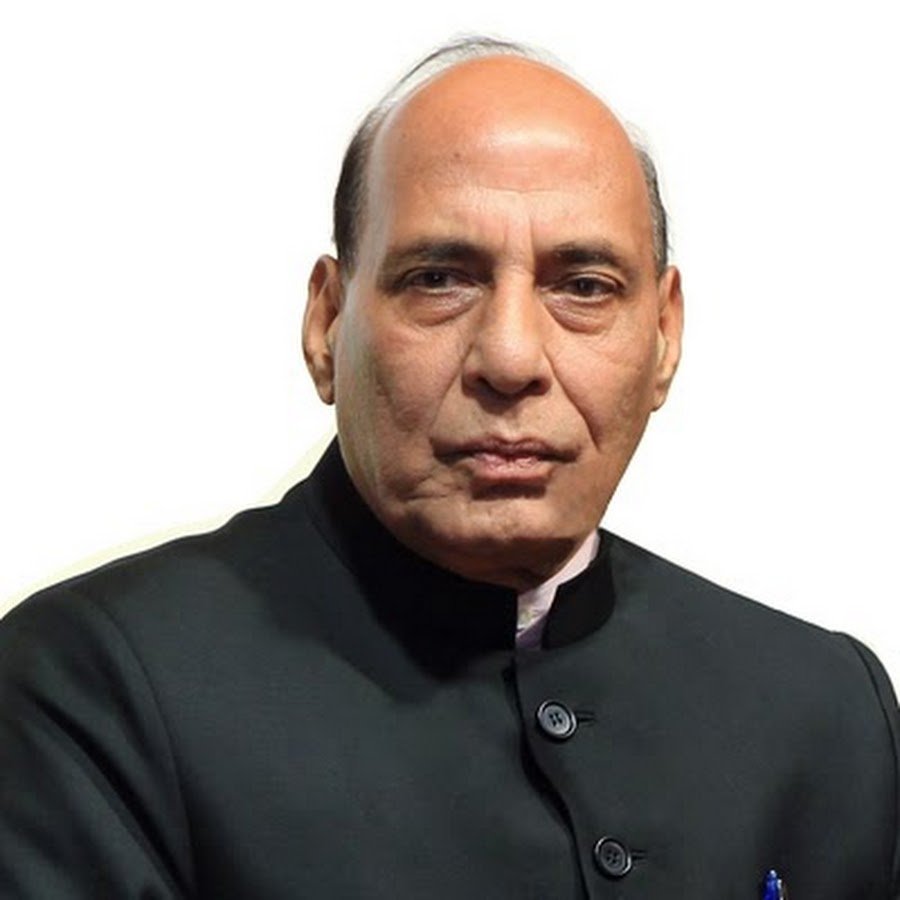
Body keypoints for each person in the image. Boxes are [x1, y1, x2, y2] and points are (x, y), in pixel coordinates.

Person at [1, 36, 897, 899]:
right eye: (440, 278)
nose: (510, 358)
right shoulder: (94, 690)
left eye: (583, 287)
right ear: (327, 324)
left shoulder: (825, 710)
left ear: (665, 338)